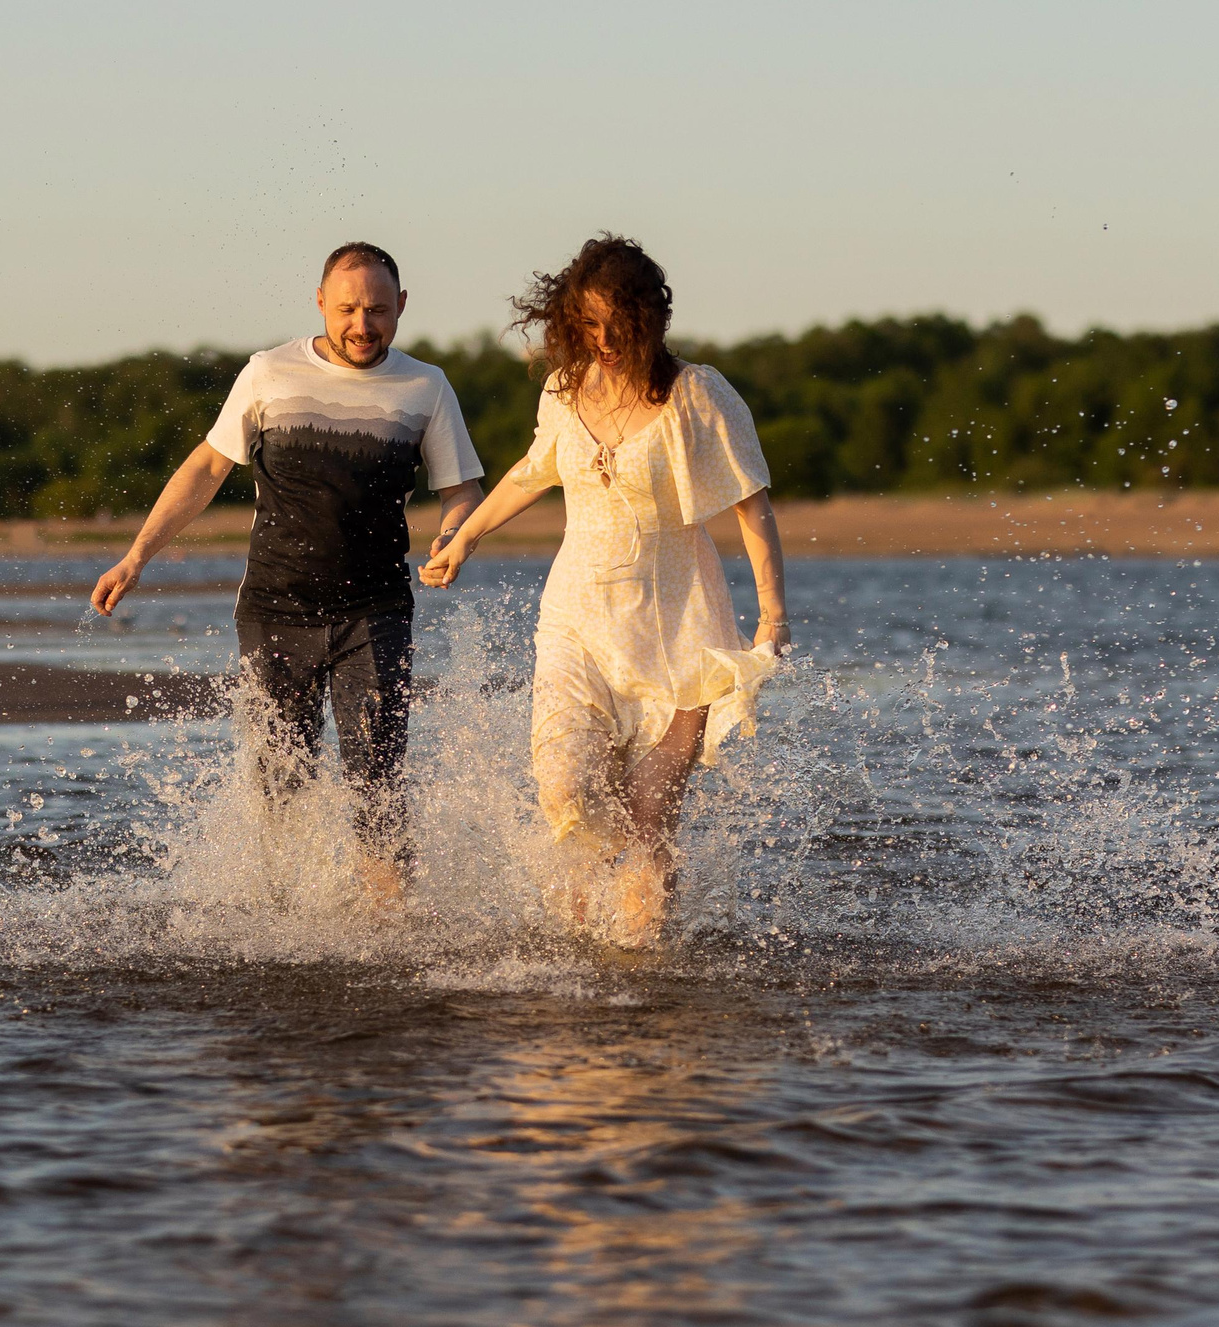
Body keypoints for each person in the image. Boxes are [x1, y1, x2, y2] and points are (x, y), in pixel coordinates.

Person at [419, 235, 790, 947]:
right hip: (577, 623)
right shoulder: (564, 390)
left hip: (680, 630)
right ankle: (582, 951)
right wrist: (465, 537)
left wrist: (772, 616)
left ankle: (640, 968)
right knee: (565, 791)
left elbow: (753, 505)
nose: (605, 339)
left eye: (619, 322)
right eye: (588, 323)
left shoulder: (698, 394)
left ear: (651, 317)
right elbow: (533, 470)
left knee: (649, 809)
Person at [93, 242, 485, 908]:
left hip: (377, 614)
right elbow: (205, 469)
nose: (364, 325)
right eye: (349, 309)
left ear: (402, 307)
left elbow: (463, 488)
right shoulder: (267, 373)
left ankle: (387, 934)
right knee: (282, 786)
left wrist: (454, 536)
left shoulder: (426, 387)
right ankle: (283, 923)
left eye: (379, 311)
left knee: (378, 786)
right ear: (321, 304)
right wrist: (137, 555)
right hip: (275, 612)